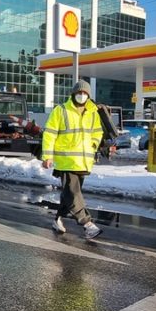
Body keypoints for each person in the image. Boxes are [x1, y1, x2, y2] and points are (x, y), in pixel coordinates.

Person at [41, 80, 104, 239]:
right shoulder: (60, 110)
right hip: (66, 161)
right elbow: (50, 133)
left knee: (69, 194)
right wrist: (47, 156)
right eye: (79, 92)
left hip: (83, 162)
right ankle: (87, 224)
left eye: (85, 93)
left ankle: (58, 219)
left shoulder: (92, 112)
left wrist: (93, 144)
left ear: (89, 96)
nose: (82, 95)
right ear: (73, 94)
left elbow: (98, 132)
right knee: (73, 193)